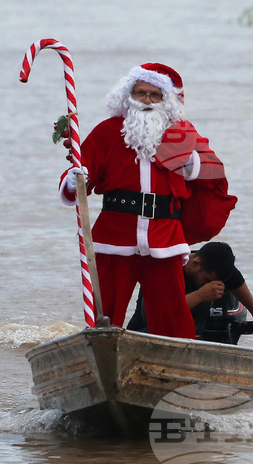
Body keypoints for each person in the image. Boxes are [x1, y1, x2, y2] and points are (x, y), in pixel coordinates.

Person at [59, 64, 237, 339]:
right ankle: (99, 357)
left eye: (155, 95)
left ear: (166, 100)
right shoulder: (107, 132)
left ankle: (176, 360)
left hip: (163, 238)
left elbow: (214, 172)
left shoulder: (182, 133)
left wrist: (190, 161)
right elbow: (82, 181)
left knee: (172, 318)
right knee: (104, 313)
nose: (147, 100)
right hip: (115, 236)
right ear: (127, 96)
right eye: (140, 92)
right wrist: (73, 180)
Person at [127, 242, 253, 337]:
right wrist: (199, 295)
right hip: (148, 333)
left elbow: (236, 283)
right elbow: (157, 315)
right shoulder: (164, 271)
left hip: (192, 337)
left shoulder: (216, 267)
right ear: (197, 263)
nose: (213, 285)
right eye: (208, 281)